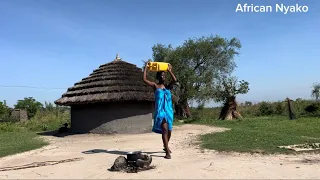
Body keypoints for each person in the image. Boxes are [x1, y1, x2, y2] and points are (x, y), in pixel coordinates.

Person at [143, 62, 177, 159]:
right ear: (158, 77)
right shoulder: (155, 86)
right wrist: (146, 68)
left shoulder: (168, 87)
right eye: (161, 75)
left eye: (164, 75)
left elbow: (175, 80)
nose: (163, 77)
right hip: (160, 112)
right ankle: (167, 152)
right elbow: (144, 79)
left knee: (169, 131)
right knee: (165, 130)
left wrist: (169, 71)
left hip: (169, 111)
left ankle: (165, 146)